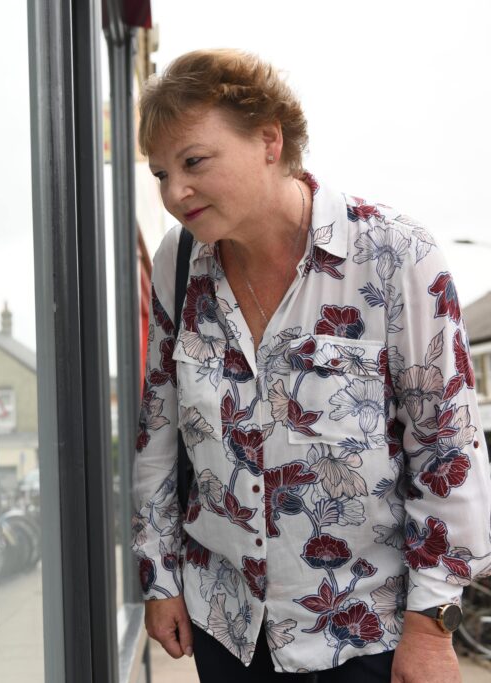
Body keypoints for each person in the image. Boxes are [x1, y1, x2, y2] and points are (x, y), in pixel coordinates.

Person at [132, 48, 491, 682]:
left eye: (193, 162)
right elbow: (159, 427)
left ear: (269, 139)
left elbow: (448, 448)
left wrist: (431, 630)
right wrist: (159, 578)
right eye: (160, 173)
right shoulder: (179, 259)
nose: (173, 191)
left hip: (365, 635)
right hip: (228, 628)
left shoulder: (393, 253)